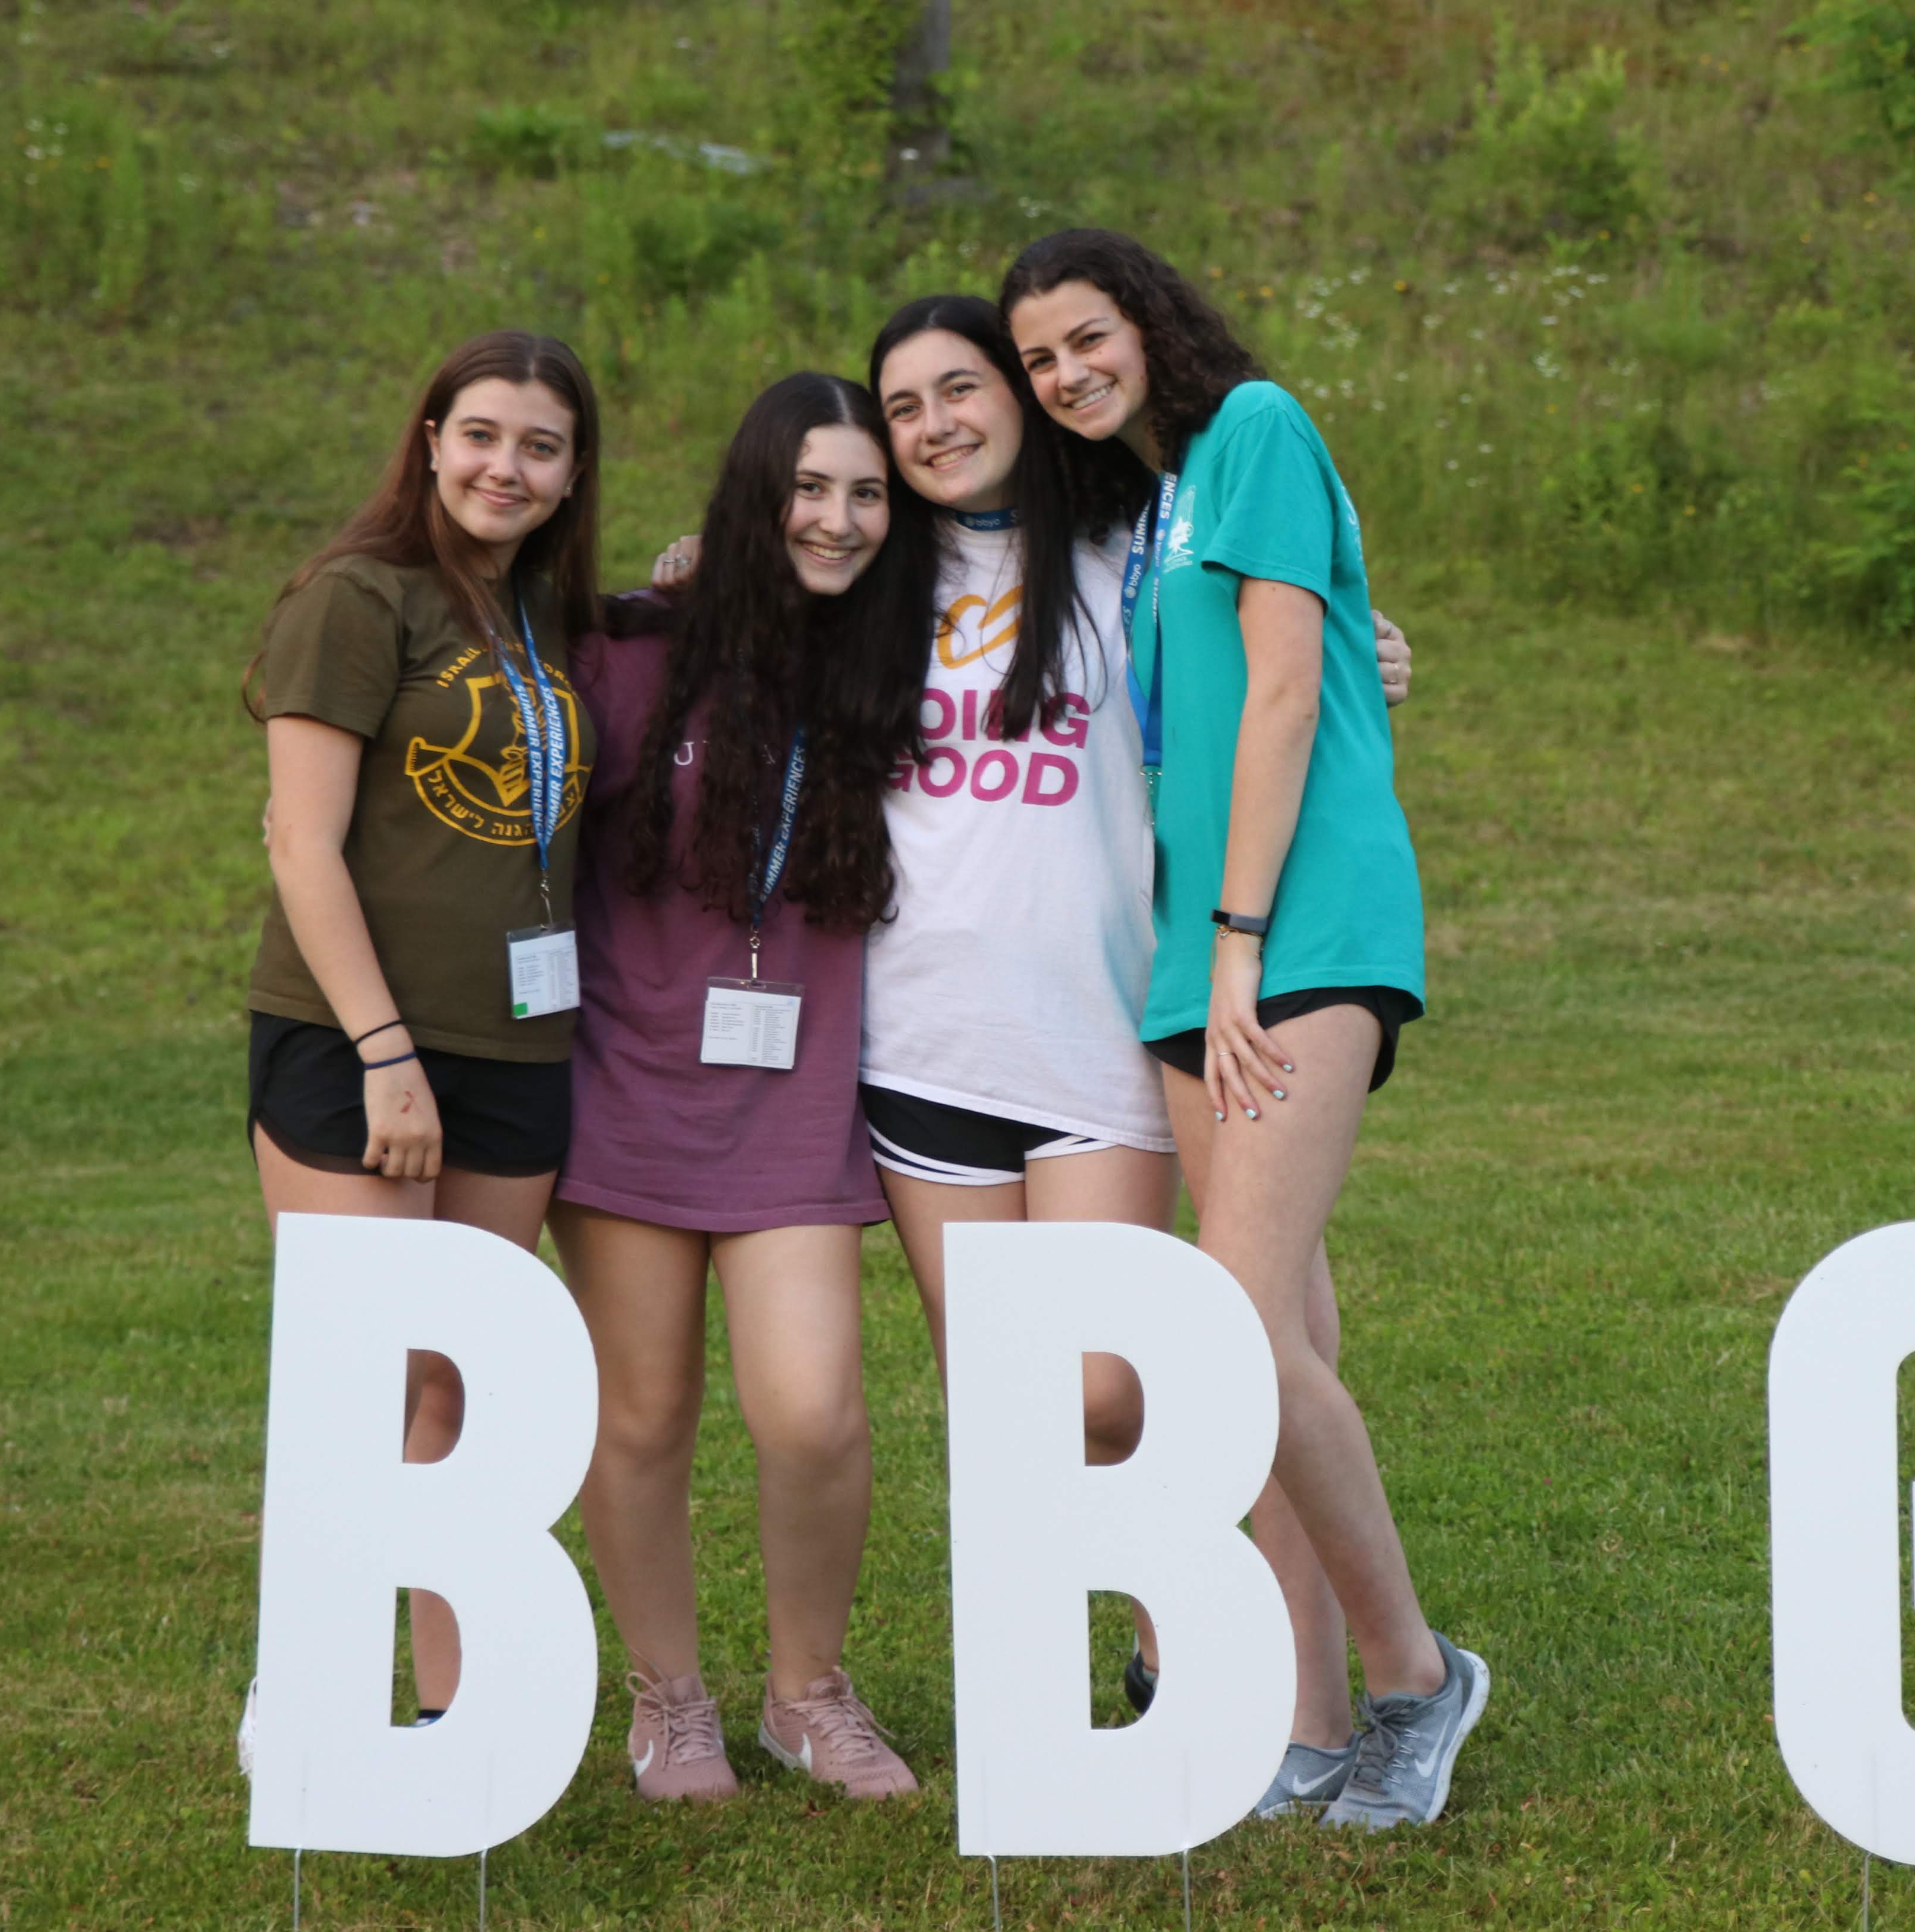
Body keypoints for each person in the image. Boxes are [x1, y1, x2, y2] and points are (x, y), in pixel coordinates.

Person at [1002, 230, 1487, 1830]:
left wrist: (1234, 945)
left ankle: (1420, 1677)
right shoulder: (1159, 503)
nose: (1069, 375)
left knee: (1234, 1337)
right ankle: (1311, 1722)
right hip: (1186, 960)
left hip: (1291, 936)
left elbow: (1283, 696)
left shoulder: (1259, 424)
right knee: (1283, 1347)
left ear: (1149, 320)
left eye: (1087, 339)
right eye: (1043, 363)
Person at [548, 372, 935, 1804]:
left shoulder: (898, 672)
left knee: (814, 1412)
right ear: (752, 493)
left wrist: (1351, 640)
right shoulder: (631, 653)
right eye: (810, 487)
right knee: (641, 1414)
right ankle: (670, 1701)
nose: (836, 519)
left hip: (792, 1104)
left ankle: (805, 1693)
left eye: (866, 492)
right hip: (629, 1090)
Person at [243, 329, 602, 1728]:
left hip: (518, 1050)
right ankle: (306, 1695)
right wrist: (386, 1054)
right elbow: (299, 841)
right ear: (432, 438)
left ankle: (457, 1718)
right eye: (484, 436)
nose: (506, 467)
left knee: (461, 1378)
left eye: (542, 446)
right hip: (358, 1047)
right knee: (364, 1379)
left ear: (573, 475)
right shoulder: (357, 597)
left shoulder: (541, 618)